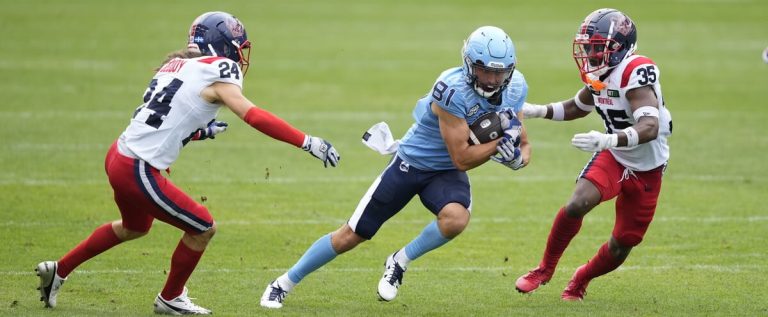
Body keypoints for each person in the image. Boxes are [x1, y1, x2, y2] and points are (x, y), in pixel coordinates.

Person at [35, 11, 340, 315]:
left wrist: (199, 132)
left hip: (119, 154)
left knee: (134, 227)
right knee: (203, 227)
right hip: (138, 169)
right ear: (222, 44)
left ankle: (59, 269)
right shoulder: (219, 70)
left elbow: (165, 120)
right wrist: (307, 141)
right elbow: (253, 115)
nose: (239, 54)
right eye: (237, 45)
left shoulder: (174, 65)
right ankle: (170, 297)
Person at [259, 25, 530, 309]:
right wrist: (498, 146)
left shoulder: (516, 87)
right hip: (412, 162)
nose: (491, 79)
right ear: (468, 64)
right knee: (352, 234)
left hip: (444, 172)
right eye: (484, 70)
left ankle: (400, 260)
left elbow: (523, 142)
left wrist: (516, 159)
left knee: (456, 219)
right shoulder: (451, 90)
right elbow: (461, 157)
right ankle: (283, 283)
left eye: (499, 72)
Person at [515, 8, 672, 301]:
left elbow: (650, 126)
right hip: (615, 156)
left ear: (618, 47)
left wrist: (608, 138)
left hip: (648, 166)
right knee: (577, 203)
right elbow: (577, 107)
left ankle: (581, 278)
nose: (589, 53)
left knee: (623, 242)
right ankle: (544, 270)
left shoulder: (634, 71)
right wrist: (538, 111)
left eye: (596, 47)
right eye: (588, 47)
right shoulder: (601, 71)